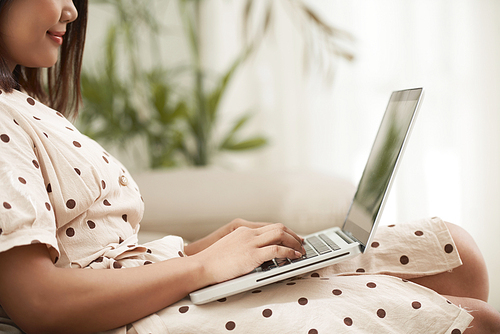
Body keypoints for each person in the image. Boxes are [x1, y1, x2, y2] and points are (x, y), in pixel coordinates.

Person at [0, 1, 499, 333]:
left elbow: (93, 250)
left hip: (145, 284)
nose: (70, 8)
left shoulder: (22, 100)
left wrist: (207, 251)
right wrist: (201, 268)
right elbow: (38, 303)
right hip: (133, 321)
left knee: (457, 252)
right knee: (473, 319)